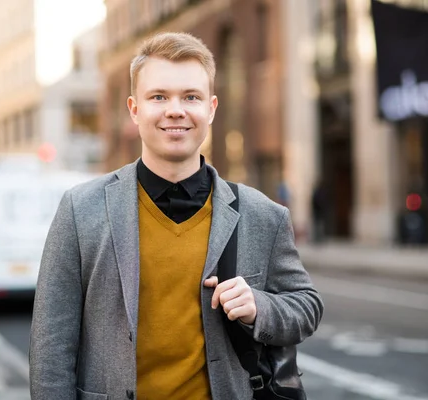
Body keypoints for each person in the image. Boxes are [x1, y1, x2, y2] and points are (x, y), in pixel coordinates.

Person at [29, 32, 324, 400]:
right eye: (158, 97)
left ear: (211, 108)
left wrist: (258, 307)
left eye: (191, 97)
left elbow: (307, 306)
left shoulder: (264, 215)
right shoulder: (79, 210)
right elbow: (50, 347)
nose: (175, 110)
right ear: (134, 109)